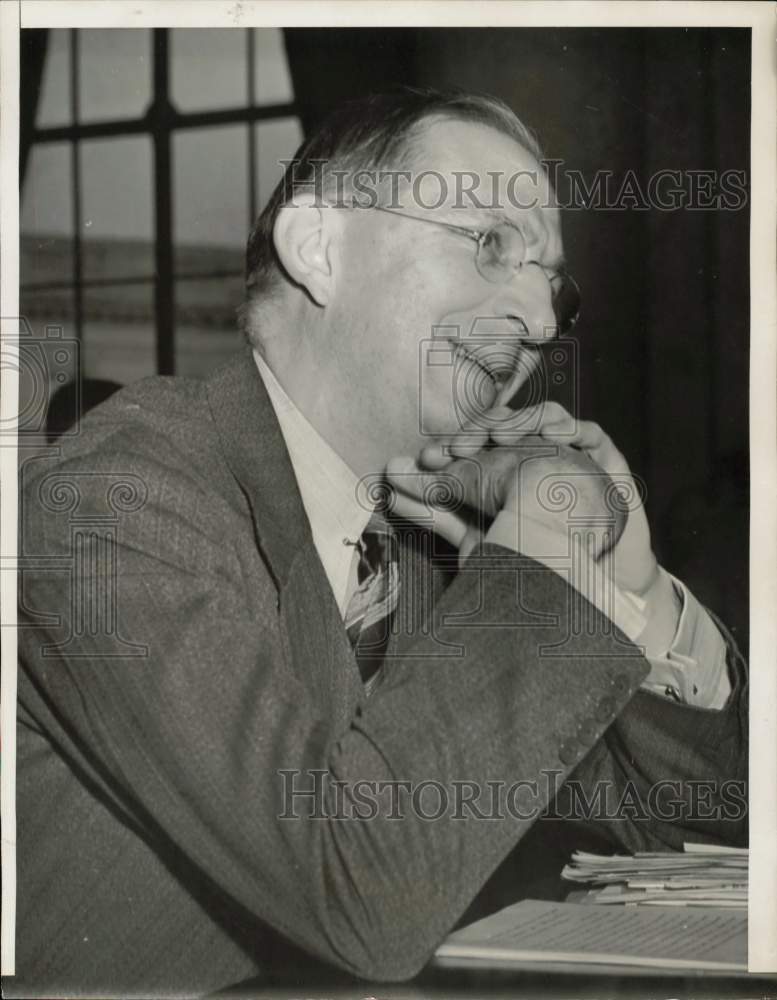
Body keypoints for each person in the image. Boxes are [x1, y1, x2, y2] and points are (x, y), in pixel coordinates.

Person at [9, 88, 747, 998]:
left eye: (553, 284)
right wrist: (551, 531)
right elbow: (362, 890)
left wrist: (631, 578)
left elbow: (707, 830)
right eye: (489, 244)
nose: (543, 323)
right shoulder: (111, 504)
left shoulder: (437, 536)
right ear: (320, 249)